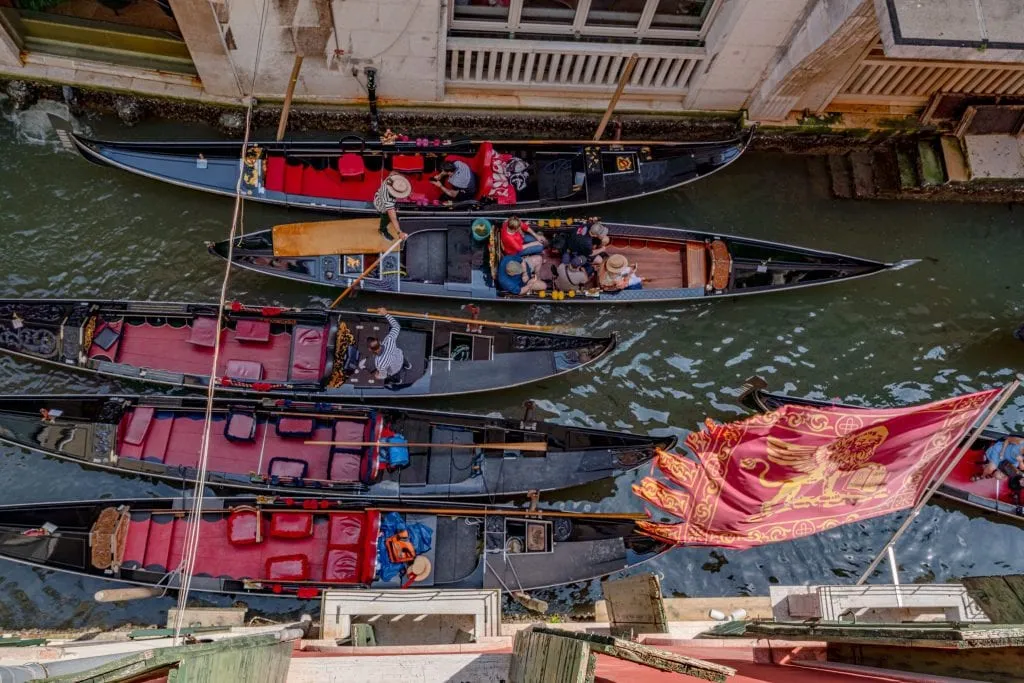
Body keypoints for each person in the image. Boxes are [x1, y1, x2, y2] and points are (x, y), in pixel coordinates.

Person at [367, 308, 406, 382]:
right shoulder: (389, 339)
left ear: (370, 349)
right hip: (399, 356)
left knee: (392, 374)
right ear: (379, 341)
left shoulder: (379, 363)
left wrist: (378, 376)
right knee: (402, 359)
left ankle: (398, 380)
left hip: (394, 368)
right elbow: (396, 327)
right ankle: (408, 365)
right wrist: (386, 314)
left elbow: (383, 375)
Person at [374, 172, 412, 241]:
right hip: (382, 207)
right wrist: (399, 232)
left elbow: (393, 172)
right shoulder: (388, 200)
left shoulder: (391, 179)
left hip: (378, 195)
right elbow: (393, 217)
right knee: (386, 218)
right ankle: (382, 230)